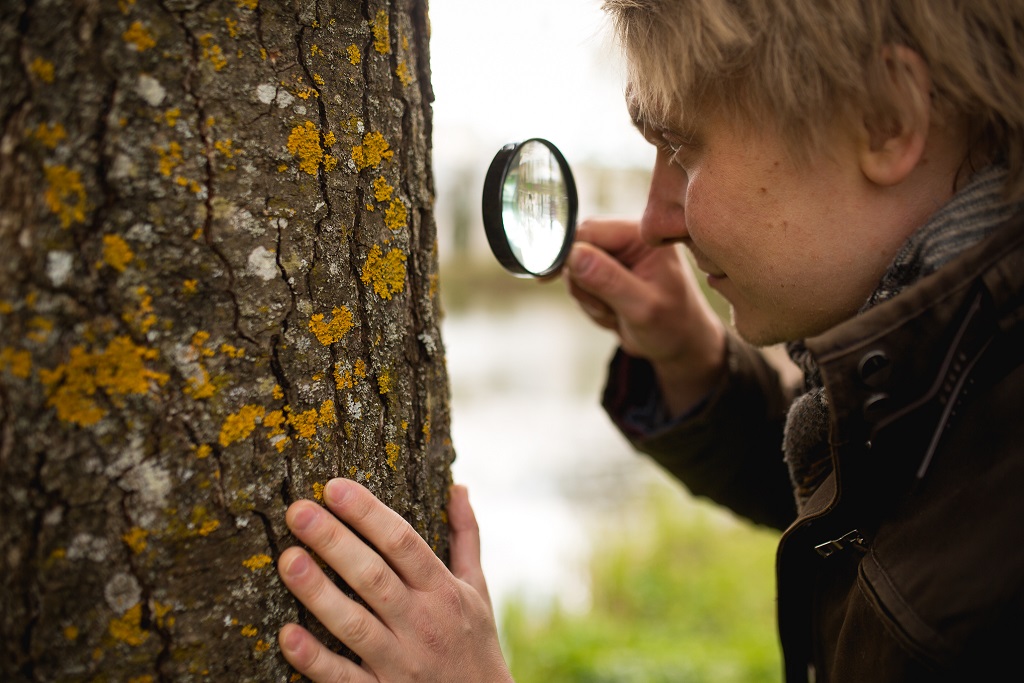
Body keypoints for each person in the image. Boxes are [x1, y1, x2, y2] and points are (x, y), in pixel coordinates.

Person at [275, 1, 1024, 680]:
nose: (659, 218)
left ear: (885, 116)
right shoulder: (971, 392)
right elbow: (873, 499)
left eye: (684, 150)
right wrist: (694, 365)